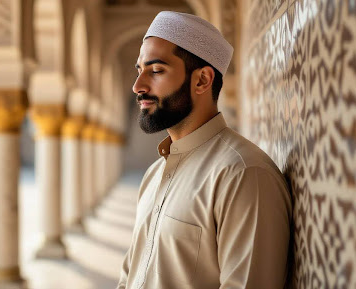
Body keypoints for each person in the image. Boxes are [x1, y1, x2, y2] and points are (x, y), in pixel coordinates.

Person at [116, 11, 292, 289]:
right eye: (140, 71)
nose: (138, 86)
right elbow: (130, 277)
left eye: (156, 70)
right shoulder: (154, 174)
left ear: (202, 80)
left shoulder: (244, 175)